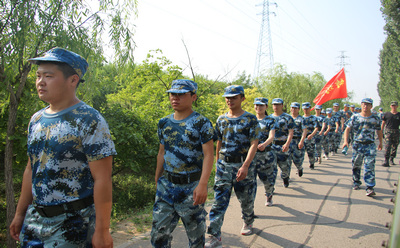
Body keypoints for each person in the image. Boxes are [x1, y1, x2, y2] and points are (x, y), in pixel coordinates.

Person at [9, 47, 117, 247]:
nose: (40, 81)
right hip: (35, 221)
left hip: (72, 224)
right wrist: (19, 213)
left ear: (73, 80)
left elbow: (102, 178)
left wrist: (102, 231)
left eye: (48, 76)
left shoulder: (89, 120)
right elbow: (31, 169)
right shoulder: (36, 120)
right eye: (38, 75)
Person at [151, 79, 214, 248]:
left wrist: (203, 184)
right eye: (172, 94)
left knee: (196, 238)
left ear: (193, 97)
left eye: (181, 94)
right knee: (158, 235)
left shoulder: (202, 123)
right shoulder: (164, 122)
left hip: (191, 187)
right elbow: (161, 152)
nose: (175, 98)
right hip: (167, 186)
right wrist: (157, 178)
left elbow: (209, 155)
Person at [206, 85, 259, 248]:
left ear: (242, 98)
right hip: (224, 165)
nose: (229, 100)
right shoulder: (221, 119)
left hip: (243, 164)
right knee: (219, 201)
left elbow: (254, 143)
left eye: (234, 97)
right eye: (227, 97)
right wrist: (217, 162)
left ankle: (248, 221)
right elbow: (219, 142)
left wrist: (245, 166)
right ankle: (215, 235)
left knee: (246, 199)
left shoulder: (250, 119)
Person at [343, 98, 383, 196]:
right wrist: (345, 141)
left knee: (369, 165)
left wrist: (381, 142)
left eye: (368, 104)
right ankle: (356, 181)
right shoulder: (355, 117)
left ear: (371, 106)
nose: (365, 106)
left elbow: (379, 130)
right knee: (356, 165)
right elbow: (347, 129)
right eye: (364, 104)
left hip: (370, 145)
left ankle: (370, 187)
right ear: (361, 105)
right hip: (358, 144)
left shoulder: (375, 118)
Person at [253, 97, 277, 206]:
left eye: (261, 105)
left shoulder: (270, 120)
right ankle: (248, 207)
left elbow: (271, 136)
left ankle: (269, 194)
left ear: (266, 107)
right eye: (256, 105)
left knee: (267, 178)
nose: (258, 107)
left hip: (266, 154)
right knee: (250, 181)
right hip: (252, 155)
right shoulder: (251, 119)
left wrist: (264, 144)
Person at [270, 98, 294, 188]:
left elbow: (291, 132)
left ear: (282, 106)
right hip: (272, 146)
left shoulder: (288, 117)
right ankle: (270, 188)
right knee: (271, 169)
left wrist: (287, 144)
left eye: (278, 104)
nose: (276, 106)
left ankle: (285, 177)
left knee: (285, 167)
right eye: (274, 104)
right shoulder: (269, 118)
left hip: (283, 145)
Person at [288, 102, 307, 177]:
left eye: (295, 108)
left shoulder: (301, 119)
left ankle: (299, 168)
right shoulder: (287, 118)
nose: (293, 109)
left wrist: (301, 141)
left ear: (299, 109)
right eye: (292, 108)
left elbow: (304, 131)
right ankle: (286, 177)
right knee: (287, 160)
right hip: (288, 141)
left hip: (297, 141)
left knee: (297, 159)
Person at [381, 101, 400, 167]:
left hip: (396, 132)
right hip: (388, 132)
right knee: (387, 146)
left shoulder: (399, 115)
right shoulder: (387, 114)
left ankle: (392, 159)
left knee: (394, 147)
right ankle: (386, 160)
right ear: (390, 106)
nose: (393, 107)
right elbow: (383, 123)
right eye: (392, 105)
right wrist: (381, 131)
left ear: (397, 106)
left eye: (395, 106)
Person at [302, 102, 319, 169]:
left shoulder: (313, 118)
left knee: (310, 153)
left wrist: (312, 135)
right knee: (300, 153)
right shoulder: (301, 118)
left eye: (307, 108)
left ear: (310, 108)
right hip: (302, 138)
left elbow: (316, 128)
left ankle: (312, 163)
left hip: (310, 137)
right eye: (304, 108)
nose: (306, 110)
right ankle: (299, 167)